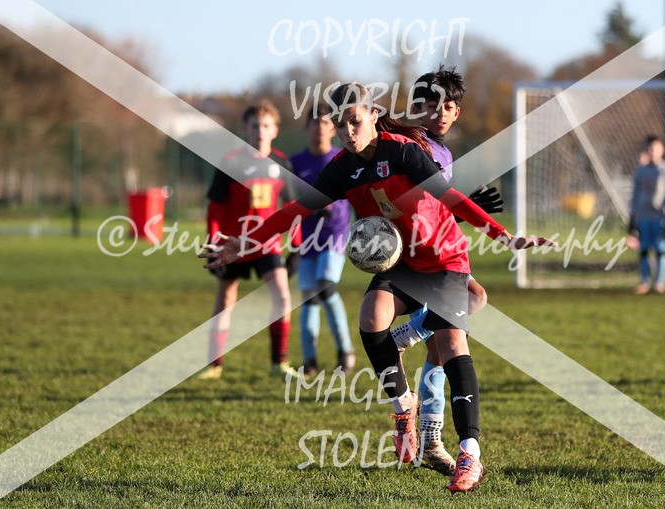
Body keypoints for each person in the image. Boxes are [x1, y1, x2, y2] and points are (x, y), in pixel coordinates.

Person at [200, 82, 555, 492]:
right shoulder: (341, 167)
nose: (349, 132)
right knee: (370, 319)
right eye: (340, 125)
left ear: (371, 115)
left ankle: (470, 454)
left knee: (453, 346)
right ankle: (404, 408)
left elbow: (450, 197)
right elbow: (293, 212)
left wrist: (502, 235)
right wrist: (240, 245)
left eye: (355, 121)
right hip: (402, 263)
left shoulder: (403, 152)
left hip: (444, 261)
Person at [389, 64, 502, 476]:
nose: (440, 111)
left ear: (457, 113)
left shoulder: (442, 151)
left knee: (443, 343)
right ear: (418, 105)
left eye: (449, 105)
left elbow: (435, 197)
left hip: (442, 249)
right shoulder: (404, 141)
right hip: (419, 256)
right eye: (432, 103)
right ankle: (409, 335)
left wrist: (467, 204)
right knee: (460, 319)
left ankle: (432, 436)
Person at [197, 100, 300, 381]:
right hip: (233, 246)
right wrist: (214, 243)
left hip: (267, 245)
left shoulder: (281, 163)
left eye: (266, 126)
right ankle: (214, 365)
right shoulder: (231, 162)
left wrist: (298, 246)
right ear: (245, 129)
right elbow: (215, 207)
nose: (260, 131)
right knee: (225, 299)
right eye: (255, 126)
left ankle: (279, 363)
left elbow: (293, 207)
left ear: (275, 130)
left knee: (282, 295)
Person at [289, 103, 355, 377]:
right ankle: (310, 361)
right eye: (315, 121)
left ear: (334, 128)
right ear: (306, 126)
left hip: (335, 235)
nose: (320, 127)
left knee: (326, 288)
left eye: (327, 122)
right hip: (307, 238)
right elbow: (291, 203)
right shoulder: (295, 164)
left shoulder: (343, 158)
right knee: (308, 298)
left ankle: (345, 351)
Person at [628, 135, 665, 294]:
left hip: (660, 218)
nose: (652, 152)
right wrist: (632, 217)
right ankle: (644, 282)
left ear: (662, 150)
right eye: (649, 149)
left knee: (660, 249)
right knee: (643, 250)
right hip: (643, 217)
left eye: (654, 149)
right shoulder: (640, 171)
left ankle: (659, 283)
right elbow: (635, 195)